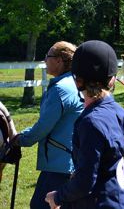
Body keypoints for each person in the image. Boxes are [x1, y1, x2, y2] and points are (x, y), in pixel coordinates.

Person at [45, 40, 124, 208]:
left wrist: (57, 196)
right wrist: (110, 175)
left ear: (78, 81)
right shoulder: (122, 113)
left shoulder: (89, 122)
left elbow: (85, 182)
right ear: (112, 81)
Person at [10, 41, 84, 208]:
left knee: (40, 205)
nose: (45, 60)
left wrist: (21, 139)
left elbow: (44, 126)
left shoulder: (59, 89)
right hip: (74, 162)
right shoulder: (76, 84)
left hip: (58, 166)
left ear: (59, 60)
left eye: (48, 56)